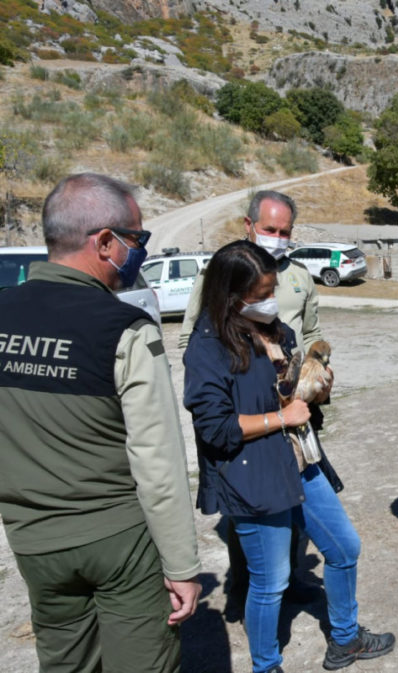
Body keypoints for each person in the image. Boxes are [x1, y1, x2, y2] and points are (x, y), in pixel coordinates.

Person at [0, 173, 201, 672]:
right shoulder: (125, 329)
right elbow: (158, 462)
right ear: (105, 242)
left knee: (66, 662)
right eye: (138, 239)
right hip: (119, 544)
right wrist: (181, 566)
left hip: (33, 541)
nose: (140, 252)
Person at [183, 240, 393, 673]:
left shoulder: (276, 328)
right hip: (253, 472)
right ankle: (266, 666)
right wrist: (281, 417)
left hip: (299, 459)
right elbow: (215, 429)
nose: (270, 301)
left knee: (344, 548)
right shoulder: (207, 348)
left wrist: (316, 388)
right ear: (230, 296)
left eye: (271, 289)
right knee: (271, 581)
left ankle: (345, 638)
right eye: (260, 295)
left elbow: (292, 389)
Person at [180, 189, 324, 613]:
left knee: (296, 509)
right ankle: (250, 587)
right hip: (252, 409)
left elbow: (310, 333)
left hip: (294, 406)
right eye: (269, 229)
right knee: (252, 515)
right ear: (249, 227)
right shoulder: (222, 274)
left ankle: (291, 579)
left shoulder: (298, 275)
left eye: (285, 231)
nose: (277, 238)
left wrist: (317, 370)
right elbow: (200, 335)